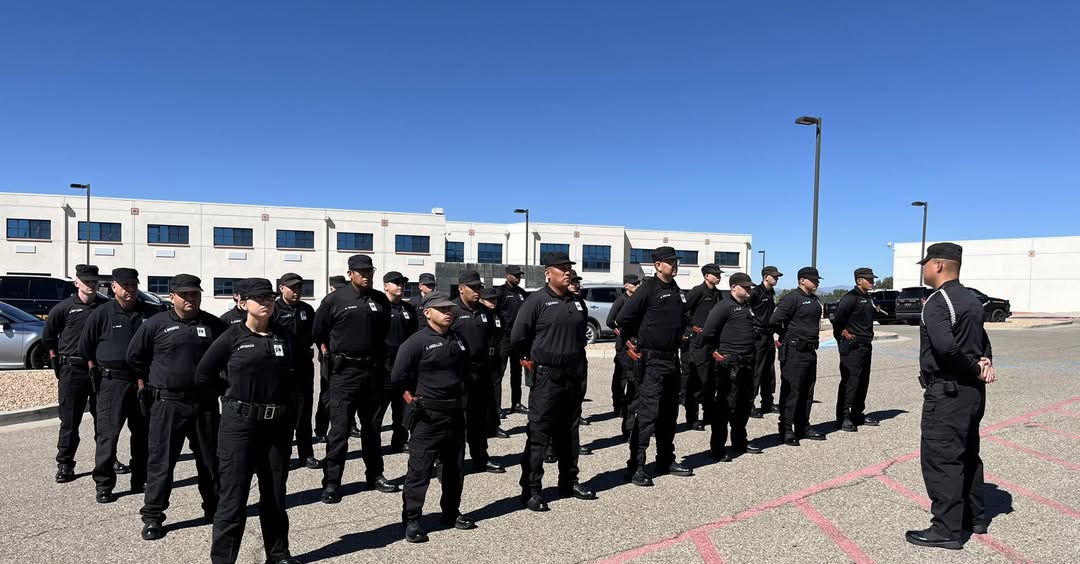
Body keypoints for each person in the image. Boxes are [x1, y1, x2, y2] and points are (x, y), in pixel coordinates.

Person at [196, 278, 301, 564]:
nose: (266, 302)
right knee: (233, 497)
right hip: (239, 426)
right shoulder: (232, 337)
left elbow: (295, 377)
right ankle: (223, 559)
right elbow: (204, 374)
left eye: (269, 297)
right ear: (243, 304)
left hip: (276, 426)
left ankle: (278, 554)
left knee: (275, 495)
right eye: (259, 298)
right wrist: (230, 398)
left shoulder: (284, 336)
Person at [905, 243, 995, 550]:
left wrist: (974, 367)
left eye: (926, 264)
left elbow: (946, 349)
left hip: (948, 391)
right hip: (972, 394)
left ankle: (946, 529)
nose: (923, 269)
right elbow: (982, 340)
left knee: (942, 458)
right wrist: (985, 362)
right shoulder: (971, 299)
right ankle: (974, 517)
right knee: (967, 453)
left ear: (939, 265)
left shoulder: (938, 301)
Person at [128, 274, 227, 541]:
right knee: (161, 463)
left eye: (195, 294)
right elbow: (134, 356)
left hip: (204, 406)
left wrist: (220, 385)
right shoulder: (156, 324)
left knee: (210, 462)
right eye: (184, 295)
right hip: (167, 405)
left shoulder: (213, 324)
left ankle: (214, 509)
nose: (190, 299)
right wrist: (152, 382)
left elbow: (229, 357)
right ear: (172, 297)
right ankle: (153, 517)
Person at [512, 252, 597, 511]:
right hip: (547, 375)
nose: (567, 272)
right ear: (548, 273)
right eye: (561, 268)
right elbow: (518, 337)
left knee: (569, 431)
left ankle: (568, 482)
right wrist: (531, 359)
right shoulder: (536, 301)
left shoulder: (577, 301)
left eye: (569, 268)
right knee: (539, 433)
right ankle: (531, 489)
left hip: (573, 374)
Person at [392, 291, 478, 543]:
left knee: (454, 467)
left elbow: (466, 371)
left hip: (454, 413)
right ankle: (412, 520)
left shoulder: (458, 340)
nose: (448, 313)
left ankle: (450, 512)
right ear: (427, 313)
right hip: (428, 416)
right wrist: (412, 400)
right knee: (419, 470)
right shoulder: (416, 342)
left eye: (450, 309)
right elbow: (398, 378)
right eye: (442, 309)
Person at [313, 254, 398, 503]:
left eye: (369, 271)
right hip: (344, 374)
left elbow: (383, 334)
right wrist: (329, 354)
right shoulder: (335, 300)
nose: (366, 275)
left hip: (371, 373)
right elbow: (318, 333)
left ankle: (375, 475)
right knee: (339, 432)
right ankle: (331, 482)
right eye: (360, 271)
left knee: (371, 429)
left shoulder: (380, 300)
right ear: (350, 274)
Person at [79, 267, 158, 504]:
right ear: (114, 287)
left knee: (143, 433)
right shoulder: (102, 313)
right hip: (112, 383)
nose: (131, 290)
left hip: (143, 382)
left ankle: (140, 478)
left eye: (134, 286)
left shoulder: (149, 313)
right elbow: (85, 348)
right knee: (108, 435)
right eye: (126, 286)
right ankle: (104, 483)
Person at [616, 246, 694, 486]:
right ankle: (636, 466)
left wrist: (685, 333)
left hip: (671, 359)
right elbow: (624, 319)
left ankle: (665, 459)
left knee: (669, 415)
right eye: (670, 261)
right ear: (658, 265)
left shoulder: (677, 290)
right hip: (651, 361)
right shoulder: (648, 288)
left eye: (675, 261)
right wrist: (632, 342)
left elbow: (685, 319)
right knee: (648, 414)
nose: (675, 265)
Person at [43, 264, 109, 483]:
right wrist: (59, 367)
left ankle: (107, 460)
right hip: (73, 371)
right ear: (77, 282)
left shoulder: (106, 307)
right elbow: (49, 338)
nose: (91, 285)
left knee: (105, 421)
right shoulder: (63, 308)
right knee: (70, 422)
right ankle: (65, 463)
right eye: (86, 281)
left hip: (99, 372)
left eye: (94, 281)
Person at [700, 273, 764, 462]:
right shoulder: (723, 307)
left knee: (744, 405)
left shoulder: (746, 307)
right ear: (733, 287)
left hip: (747, 362)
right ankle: (717, 448)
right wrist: (717, 355)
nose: (749, 290)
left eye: (750, 287)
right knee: (725, 406)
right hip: (730, 363)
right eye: (745, 287)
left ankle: (739, 442)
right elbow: (708, 334)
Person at [451, 271, 505, 474]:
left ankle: (480, 458)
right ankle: (452, 462)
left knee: (478, 420)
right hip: (458, 374)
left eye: (479, 287)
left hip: (481, 373)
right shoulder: (452, 310)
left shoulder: (485, 312)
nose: (477, 291)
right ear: (461, 288)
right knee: (456, 421)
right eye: (472, 288)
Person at [771, 267, 825, 446]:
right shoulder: (791, 298)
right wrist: (786, 338)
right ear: (802, 280)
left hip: (810, 351)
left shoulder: (814, 300)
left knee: (807, 391)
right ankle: (786, 429)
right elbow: (774, 321)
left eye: (818, 280)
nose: (817, 283)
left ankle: (803, 426)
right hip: (794, 351)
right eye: (813, 280)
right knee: (791, 391)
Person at [273, 273, 320, 469]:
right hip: (280, 370)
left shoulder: (306, 309)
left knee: (303, 412)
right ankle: (282, 455)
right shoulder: (273, 309)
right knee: (282, 415)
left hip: (302, 368)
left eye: (299, 288)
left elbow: (315, 333)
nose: (296, 292)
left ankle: (306, 454)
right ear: (282, 288)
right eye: (292, 288)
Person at [833, 267, 880, 432]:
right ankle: (843, 417)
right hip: (853, 346)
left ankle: (858, 414)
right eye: (869, 279)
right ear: (859, 280)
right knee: (850, 381)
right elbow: (837, 320)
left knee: (862, 381)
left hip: (866, 344)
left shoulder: (867, 298)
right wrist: (843, 335)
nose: (872, 282)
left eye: (873, 279)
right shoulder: (850, 298)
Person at [379, 271, 419, 453]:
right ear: (386, 285)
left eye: (402, 283)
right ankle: (372, 444)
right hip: (383, 367)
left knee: (402, 408)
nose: (400, 286)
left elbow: (414, 337)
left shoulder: (408, 309)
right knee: (377, 411)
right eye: (396, 283)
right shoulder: (378, 307)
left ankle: (400, 441)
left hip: (404, 368)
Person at [682, 264, 724, 430]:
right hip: (698, 342)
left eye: (719, 274)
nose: (718, 277)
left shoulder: (717, 294)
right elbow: (683, 311)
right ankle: (692, 418)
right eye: (715, 274)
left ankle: (708, 415)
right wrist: (692, 327)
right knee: (697, 381)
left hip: (713, 342)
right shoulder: (697, 291)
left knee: (711, 381)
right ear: (707, 276)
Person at [313, 276, 347, 441]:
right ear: (331, 288)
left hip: (346, 359)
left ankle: (349, 425)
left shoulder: (348, 301)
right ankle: (321, 429)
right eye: (337, 288)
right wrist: (324, 347)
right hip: (329, 357)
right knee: (327, 394)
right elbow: (318, 331)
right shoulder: (327, 303)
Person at [606, 274, 640, 438]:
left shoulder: (637, 300)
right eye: (634, 284)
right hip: (623, 345)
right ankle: (618, 406)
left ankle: (629, 408)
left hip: (634, 344)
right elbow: (610, 321)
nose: (636, 286)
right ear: (626, 285)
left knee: (633, 377)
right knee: (621, 376)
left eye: (638, 283)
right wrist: (622, 335)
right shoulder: (621, 300)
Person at [495, 265, 530, 418]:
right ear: (507, 275)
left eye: (519, 275)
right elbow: (494, 312)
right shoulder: (500, 292)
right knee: (498, 373)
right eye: (515, 275)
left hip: (518, 339)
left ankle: (516, 403)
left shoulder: (521, 293)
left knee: (517, 372)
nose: (518, 277)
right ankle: (496, 407)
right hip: (504, 338)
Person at [749, 266, 782, 418]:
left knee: (769, 371)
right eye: (774, 276)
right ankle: (749, 404)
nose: (777, 279)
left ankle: (767, 402)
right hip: (758, 336)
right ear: (765, 276)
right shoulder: (755, 292)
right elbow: (747, 309)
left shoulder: (771, 293)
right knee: (757, 370)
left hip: (769, 335)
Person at [479, 286, 511, 439]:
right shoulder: (477, 315)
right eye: (489, 300)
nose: (493, 302)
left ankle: (494, 424)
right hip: (479, 359)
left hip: (495, 357)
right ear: (481, 300)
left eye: (494, 299)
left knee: (495, 389)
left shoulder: (498, 316)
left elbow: (502, 335)